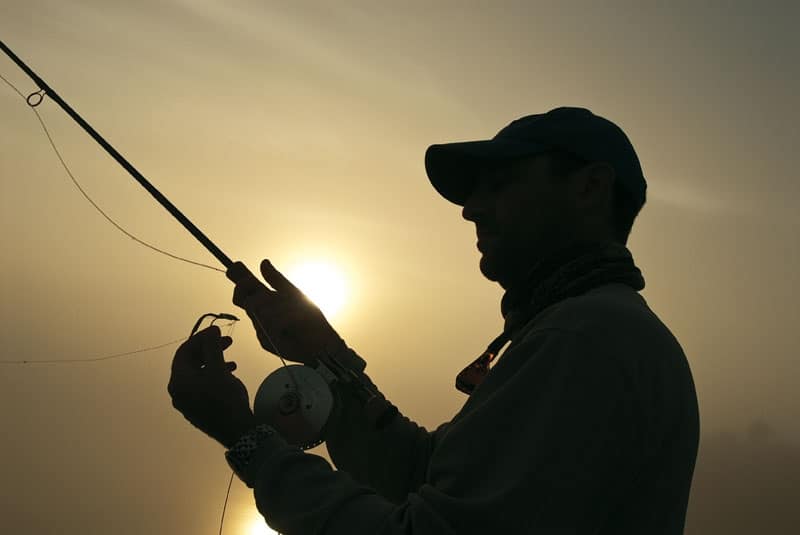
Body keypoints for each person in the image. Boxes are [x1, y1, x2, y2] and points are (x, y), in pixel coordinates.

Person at [168, 107, 700, 534]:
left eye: (500, 183)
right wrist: (324, 355)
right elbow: (420, 475)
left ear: (589, 188)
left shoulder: (583, 340)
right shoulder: (583, 329)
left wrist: (245, 437)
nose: (471, 208)